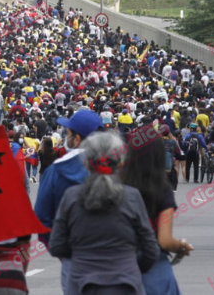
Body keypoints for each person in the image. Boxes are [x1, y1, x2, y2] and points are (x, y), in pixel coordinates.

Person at [50, 132, 160, 295]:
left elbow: (56, 245)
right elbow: (151, 248)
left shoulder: (71, 197)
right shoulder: (132, 197)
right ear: (121, 164)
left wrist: (81, 255)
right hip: (126, 283)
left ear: (86, 164)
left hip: (81, 282)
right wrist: (131, 265)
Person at [35, 110, 103, 294]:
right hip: (116, 259)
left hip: (75, 258)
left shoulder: (55, 171)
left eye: (69, 133)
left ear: (77, 139)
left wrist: (61, 251)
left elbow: (41, 218)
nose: (66, 136)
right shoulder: (117, 168)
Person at [122, 136, 193, 295]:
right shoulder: (162, 189)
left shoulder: (118, 185)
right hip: (154, 264)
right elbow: (165, 240)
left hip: (120, 261)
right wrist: (181, 246)